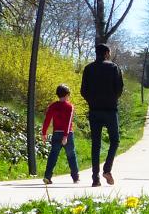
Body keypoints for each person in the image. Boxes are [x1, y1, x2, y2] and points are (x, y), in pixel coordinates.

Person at [80, 42, 124, 186]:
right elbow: (119, 89)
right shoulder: (113, 67)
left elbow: (83, 91)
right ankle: (107, 169)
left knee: (96, 145)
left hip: (94, 111)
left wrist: (92, 101)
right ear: (106, 53)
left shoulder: (88, 69)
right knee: (115, 141)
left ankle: (95, 179)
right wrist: (111, 98)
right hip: (110, 110)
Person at [41, 84, 80, 184]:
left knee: (53, 155)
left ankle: (47, 176)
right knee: (71, 155)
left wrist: (44, 133)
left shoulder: (53, 106)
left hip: (56, 133)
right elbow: (68, 122)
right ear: (67, 95)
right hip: (68, 135)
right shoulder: (70, 107)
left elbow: (47, 120)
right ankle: (75, 177)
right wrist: (66, 136)